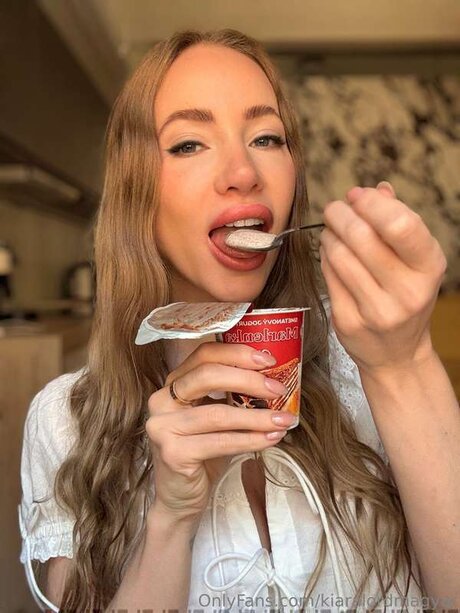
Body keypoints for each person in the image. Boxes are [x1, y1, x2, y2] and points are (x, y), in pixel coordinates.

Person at [18, 29, 459, 613]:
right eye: (189, 144)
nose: (244, 172)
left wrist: (404, 364)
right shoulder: (65, 422)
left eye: (266, 138)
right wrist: (171, 517)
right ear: (136, 191)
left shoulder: (367, 359)